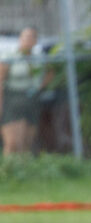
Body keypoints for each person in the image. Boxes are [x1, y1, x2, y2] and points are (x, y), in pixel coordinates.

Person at [0, 27, 53, 156]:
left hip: (32, 99)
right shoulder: (10, 56)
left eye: (31, 37)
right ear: (20, 39)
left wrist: (40, 87)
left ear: (35, 41)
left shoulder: (39, 57)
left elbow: (50, 71)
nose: (28, 40)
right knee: (13, 143)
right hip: (12, 100)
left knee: (26, 142)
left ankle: (24, 171)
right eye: (25, 37)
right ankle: (8, 170)